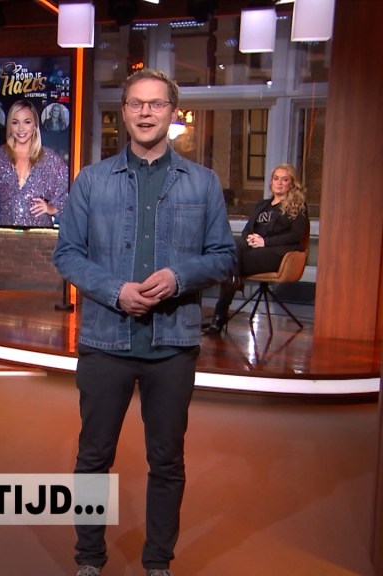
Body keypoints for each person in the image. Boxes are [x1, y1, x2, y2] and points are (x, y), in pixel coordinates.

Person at [53, 69, 236, 576]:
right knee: (93, 458)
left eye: (156, 104)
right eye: (136, 103)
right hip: (104, 342)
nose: (146, 112)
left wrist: (178, 278)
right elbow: (67, 254)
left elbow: (224, 256)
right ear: (124, 112)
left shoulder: (202, 182)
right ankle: (89, 559)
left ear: (172, 112)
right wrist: (115, 291)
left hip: (172, 345)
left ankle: (158, 562)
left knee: (167, 461)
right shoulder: (92, 180)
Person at [203, 163, 310, 334]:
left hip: (277, 253)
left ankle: (220, 315)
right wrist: (251, 239)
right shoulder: (262, 205)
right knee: (231, 244)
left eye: (284, 179)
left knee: (229, 262)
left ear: (291, 183)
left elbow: (295, 236)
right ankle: (232, 286)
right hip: (254, 248)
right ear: (271, 182)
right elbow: (247, 230)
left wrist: (265, 242)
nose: (279, 183)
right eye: (276, 178)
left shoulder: (298, 206)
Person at [0, 100, 69, 227]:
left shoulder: (50, 160)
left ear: (35, 125)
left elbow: (69, 196)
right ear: (10, 126)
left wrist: (51, 208)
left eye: (27, 122)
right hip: (4, 236)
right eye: (15, 122)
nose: (21, 128)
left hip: (40, 236)